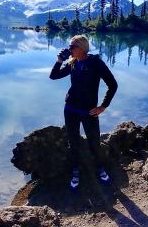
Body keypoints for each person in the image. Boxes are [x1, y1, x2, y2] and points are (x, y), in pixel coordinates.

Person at [49, 35, 118, 191]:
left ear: (82, 47)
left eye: (72, 46)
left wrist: (103, 106)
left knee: (94, 142)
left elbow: (113, 85)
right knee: (73, 142)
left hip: (89, 112)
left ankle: (100, 169)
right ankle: (75, 172)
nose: (69, 49)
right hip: (71, 109)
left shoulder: (95, 63)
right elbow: (53, 76)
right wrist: (60, 60)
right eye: (69, 46)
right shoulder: (73, 63)